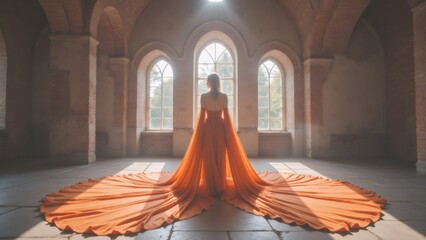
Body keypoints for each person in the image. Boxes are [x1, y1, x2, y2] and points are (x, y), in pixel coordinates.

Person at [40, 73, 385, 235]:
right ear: (220, 84)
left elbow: (201, 118)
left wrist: (200, 132)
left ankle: (212, 187)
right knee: (220, 160)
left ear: (208, 83)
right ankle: (220, 188)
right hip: (221, 131)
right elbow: (226, 118)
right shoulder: (224, 97)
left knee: (206, 161)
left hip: (207, 131)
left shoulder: (205, 98)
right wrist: (230, 133)